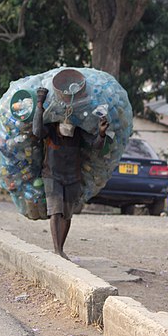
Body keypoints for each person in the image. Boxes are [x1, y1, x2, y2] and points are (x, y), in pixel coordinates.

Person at [32, 87, 109, 260]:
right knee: (55, 211)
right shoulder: (51, 130)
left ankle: (61, 248)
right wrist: (39, 104)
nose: (67, 123)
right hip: (51, 175)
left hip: (73, 177)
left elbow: (96, 145)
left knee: (67, 214)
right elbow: (37, 131)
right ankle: (57, 249)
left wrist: (102, 133)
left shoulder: (79, 133)